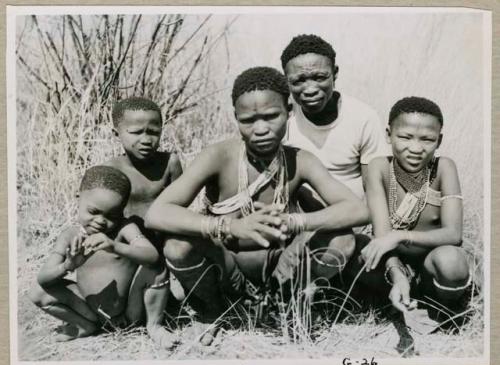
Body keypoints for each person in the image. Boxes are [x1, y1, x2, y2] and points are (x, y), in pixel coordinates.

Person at [145, 66, 369, 346]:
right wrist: (228, 225)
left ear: (289, 111)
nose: (261, 129)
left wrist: (295, 222)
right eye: (248, 120)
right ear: (236, 118)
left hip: (281, 268)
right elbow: (157, 213)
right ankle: (215, 308)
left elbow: (357, 209)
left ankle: (286, 303)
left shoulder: (301, 161)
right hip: (227, 267)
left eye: (271, 116)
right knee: (177, 246)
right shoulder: (218, 156)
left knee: (342, 240)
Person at [356, 96, 470, 317]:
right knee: (358, 251)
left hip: (430, 263)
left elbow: (454, 234)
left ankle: (439, 308)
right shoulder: (379, 167)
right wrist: (398, 275)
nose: (416, 148)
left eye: (427, 139)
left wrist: (400, 236)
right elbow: (382, 237)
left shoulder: (444, 168)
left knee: (452, 262)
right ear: (389, 135)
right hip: (390, 262)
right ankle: (386, 300)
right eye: (405, 137)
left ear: (440, 140)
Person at [29, 166, 160, 341]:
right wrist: (67, 266)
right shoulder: (70, 236)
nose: (100, 221)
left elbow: (152, 255)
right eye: (93, 212)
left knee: (156, 269)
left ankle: (154, 326)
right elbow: (43, 279)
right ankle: (85, 326)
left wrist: (114, 246)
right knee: (37, 292)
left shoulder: (124, 229)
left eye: (112, 216)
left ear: (121, 212)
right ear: (78, 198)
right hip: (89, 311)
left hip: (128, 314)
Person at [104, 97, 183, 348]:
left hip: (166, 246)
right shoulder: (112, 169)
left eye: (154, 131)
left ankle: (158, 316)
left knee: (179, 295)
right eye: (136, 132)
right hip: (130, 250)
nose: (146, 139)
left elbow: (181, 208)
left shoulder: (170, 163)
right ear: (116, 133)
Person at [280, 34, 387, 204]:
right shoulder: (282, 120)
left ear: (335, 73)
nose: (310, 89)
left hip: (354, 218)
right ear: (286, 82)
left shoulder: (363, 117)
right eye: (299, 81)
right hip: (298, 220)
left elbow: (374, 187)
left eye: (319, 77)